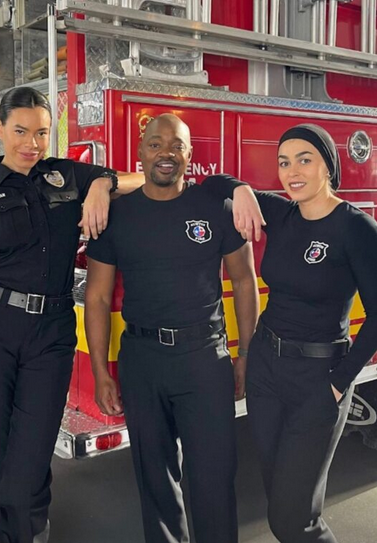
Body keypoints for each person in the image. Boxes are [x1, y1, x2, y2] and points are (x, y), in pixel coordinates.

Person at [0, 86, 144, 543]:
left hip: (51, 333)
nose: (32, 143)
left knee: (30, 458)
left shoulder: (66, 175)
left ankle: (29, 527)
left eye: (42, 133)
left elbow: (140, 180)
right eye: (20, 131)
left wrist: (102, 185)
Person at [203, 123, 377, 543]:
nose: (292, 171)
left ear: (328, 166)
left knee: (293, 520)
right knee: (280, 500)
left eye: (304, 160)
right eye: (284, 162)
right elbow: (212, 184)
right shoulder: (281, 213)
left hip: (318, 379)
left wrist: (338, 384)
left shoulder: (358, 230)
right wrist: (241, 189)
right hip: (267, 371)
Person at [84, 113, 259, 543]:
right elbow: (98, 297)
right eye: (156, 144)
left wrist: (245, 355)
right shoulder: (117, 215)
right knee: (155, 480)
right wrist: (101, 371)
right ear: (141, 153)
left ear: (189, 154)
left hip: (204, 360)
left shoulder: (214, 208)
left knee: (213, 478)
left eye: (177, 145)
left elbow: (244, 280)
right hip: (143, 362)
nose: (166, 153)